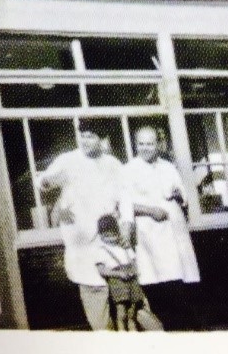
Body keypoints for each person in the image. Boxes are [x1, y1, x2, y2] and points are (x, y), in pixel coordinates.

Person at [36, 119, 133, 330]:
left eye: (91, 136)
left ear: (102, 139)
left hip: (110, 241)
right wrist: (47, 184)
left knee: (127, 305)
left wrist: (126, 223)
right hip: (82, 243)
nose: (85, 141)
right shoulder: (68, 160)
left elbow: (125, 196)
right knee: (97, 304)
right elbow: (44, 181)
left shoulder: (113, 164)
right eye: (82, 135)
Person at [123, 126, 201, 330]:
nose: (146, 148)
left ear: (157, 145)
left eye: (150, 143)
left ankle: (187, 329)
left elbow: (183, 193)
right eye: (141, 143)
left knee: (179, 279)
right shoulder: (129, 170)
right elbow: (123, 204)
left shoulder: (167, 166)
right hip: (151, 235)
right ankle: (173, 329)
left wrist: (178, 194)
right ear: (135, 145)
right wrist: (150, 211)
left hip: (175, 231)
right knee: (159, 283)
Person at [95, 214, 145, 331]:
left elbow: (133, 260)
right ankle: (122, 336)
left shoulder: (124, 246)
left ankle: (134, 335)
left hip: (131, 279)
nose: (111, 238)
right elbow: (102, 271)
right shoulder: (101, 250)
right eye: (106, 235)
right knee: (121, 311)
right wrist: (119, 274)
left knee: (132, 312)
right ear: (101, 235)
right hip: (117, 281)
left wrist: (136, 271)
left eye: (113, 234)